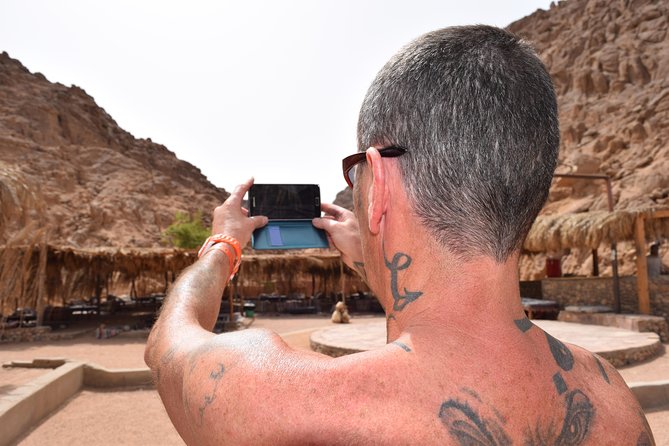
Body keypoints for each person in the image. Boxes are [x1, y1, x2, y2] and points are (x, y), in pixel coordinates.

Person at [145, 25, 654, 445]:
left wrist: (223, 246)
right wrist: (371, 258)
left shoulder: (294, 407)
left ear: (379, 180)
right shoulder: (617, 408)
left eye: (357, 175)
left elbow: (170, 345)